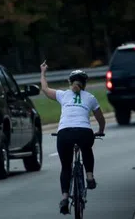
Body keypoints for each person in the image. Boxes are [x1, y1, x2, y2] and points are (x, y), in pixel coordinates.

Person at [40, 60, 106, 215]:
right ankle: (89, 176)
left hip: (64, 133)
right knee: (87, 149)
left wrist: (43, 72)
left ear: (69, 82)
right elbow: (100, 118)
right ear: (85, 84)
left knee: (66, 166)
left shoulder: (63, 95)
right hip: (84, 132)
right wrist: (100, 130)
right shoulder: (90, 97)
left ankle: (64, 198)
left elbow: (45, 89)